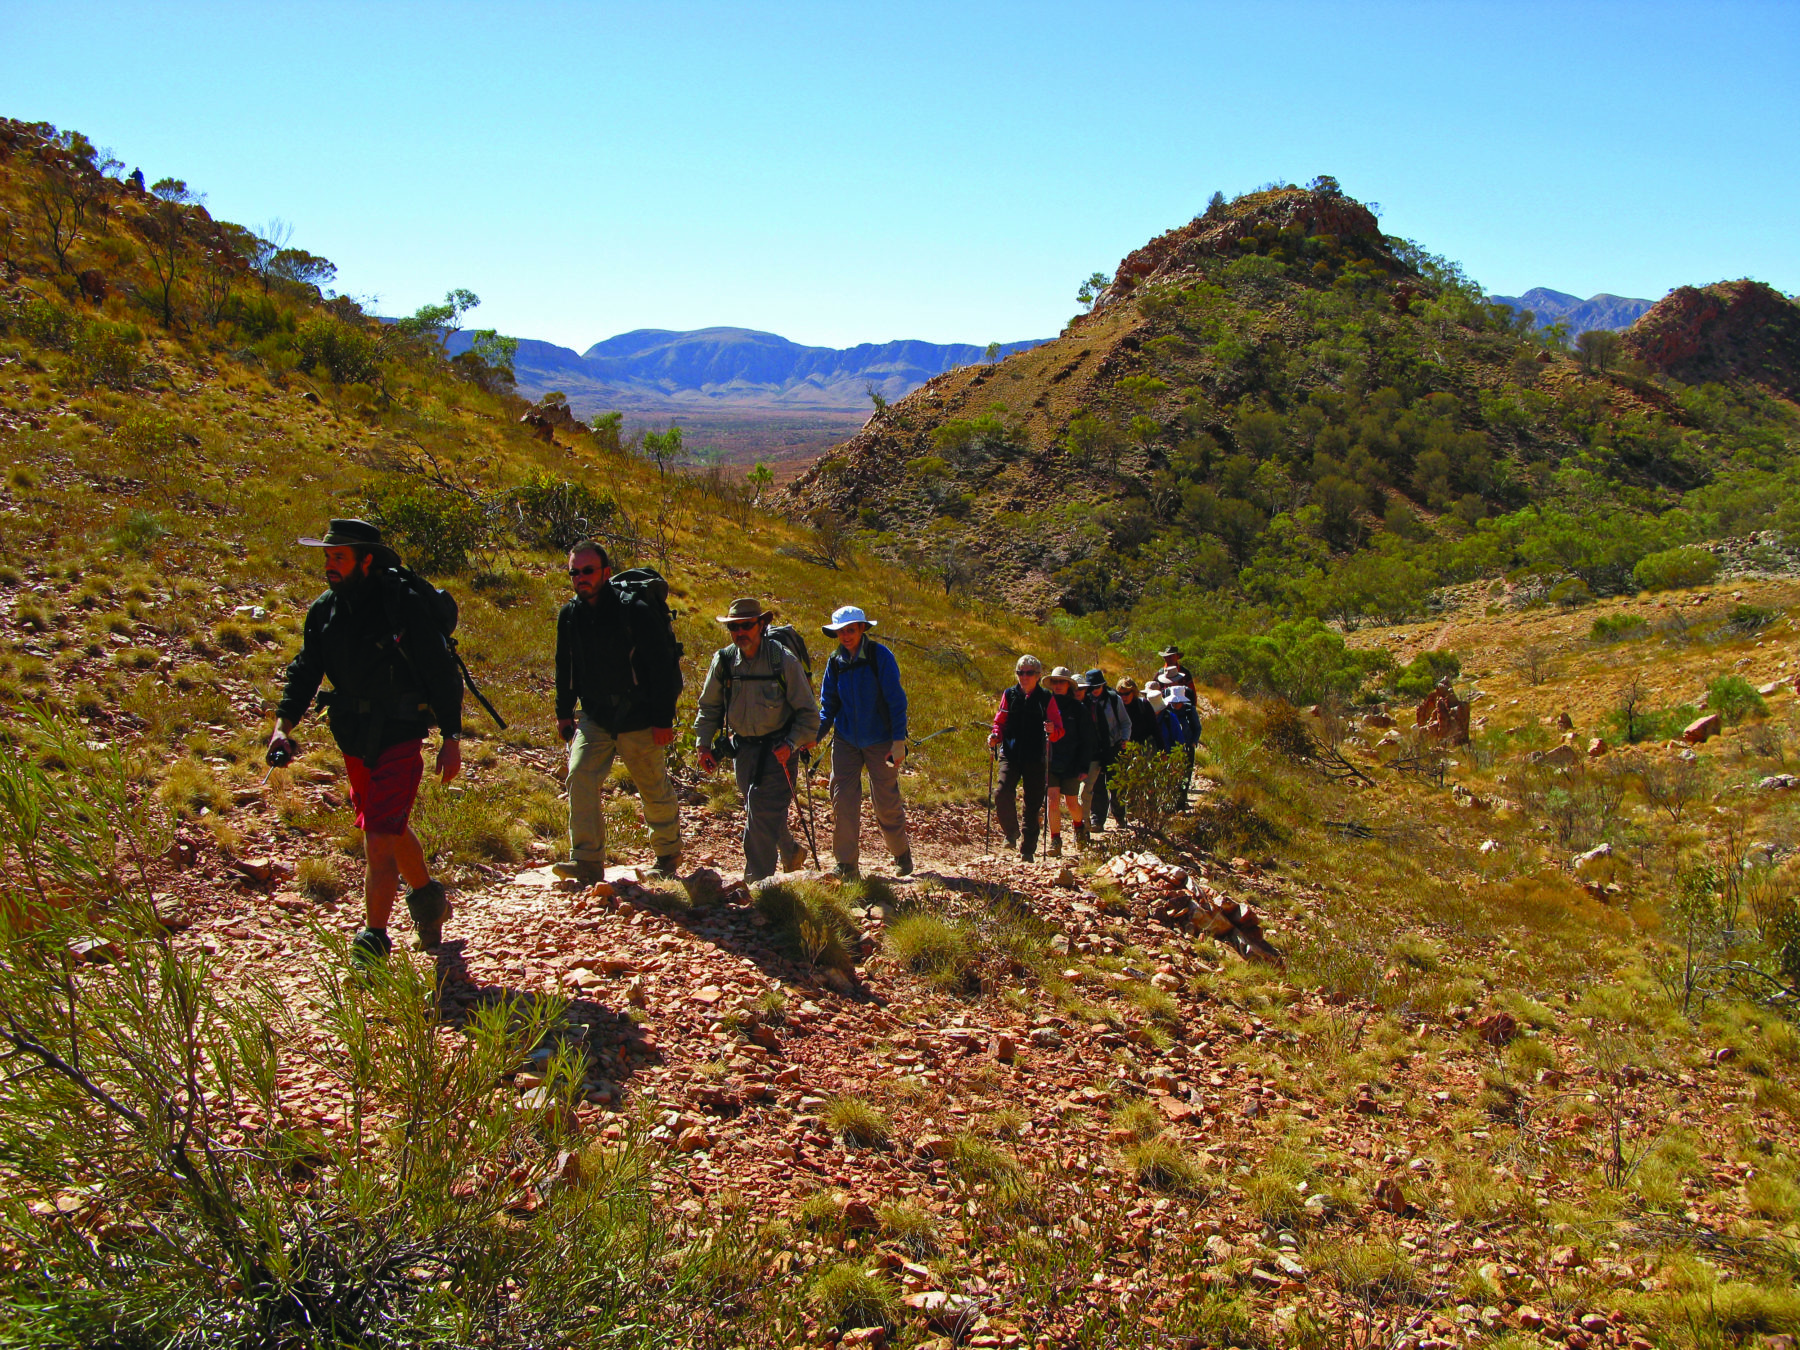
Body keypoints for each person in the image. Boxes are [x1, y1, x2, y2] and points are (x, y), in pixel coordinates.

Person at [270, 519, 462, 966]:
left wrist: (451, 738)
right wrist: (284, 725)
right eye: (327, 557)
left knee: (377, 834)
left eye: (339, 557)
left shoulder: (402, 606)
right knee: (386, 826)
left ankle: (372, 942)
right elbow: (304, 670)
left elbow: (440, 674)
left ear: (366, 559)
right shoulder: (325, 611)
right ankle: (428, 898)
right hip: (352, 737)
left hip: (398, 733)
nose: (330, 565)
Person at [553, 541, 682, 884]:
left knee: (652, 785)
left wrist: (662, 719)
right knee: (579, 775)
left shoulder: (634, 611)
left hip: (639, 717)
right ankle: (586, 861)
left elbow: (662, 667)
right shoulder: (569, 616)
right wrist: (563, 713)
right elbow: (564, 667)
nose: (581, 578)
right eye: (575, 572)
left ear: (606, 573)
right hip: (595, 716)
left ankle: (667, 855)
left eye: (587, 571)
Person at [693, 597, 818, 882]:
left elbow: (809, 714)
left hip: (779, 751)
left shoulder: (783, 661)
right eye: (733, 627)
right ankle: (790, 852)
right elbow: (709, 707)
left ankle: (758, 884)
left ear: (761, 625)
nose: (740, 633)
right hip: (744, 750)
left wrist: (791, 744)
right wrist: (702, 745)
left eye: (746, 626)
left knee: (759, 813)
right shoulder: (724, 661)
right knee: (757, 808)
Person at [817, 605, 911, 880]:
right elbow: (828, 705)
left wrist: (898, 741)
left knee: (886, 803)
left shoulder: (879, 656)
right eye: (840, 632)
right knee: (843, 801)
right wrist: (814, 736)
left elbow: (896, 700)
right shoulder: (835, 662)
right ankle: (846, 865)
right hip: (845, 740)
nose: (845, 636)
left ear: (861, 629)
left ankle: (901, 853)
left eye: (851, 630)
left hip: (881, 740)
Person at [987, 655, 1063, 861]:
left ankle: (1028, 849)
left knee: (1033, 803)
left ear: (1038, 676)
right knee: (1001, 792)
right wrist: (995, 735)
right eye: (1020, 672)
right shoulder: (1009, 694)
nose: (1024, 677)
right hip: (1010, 753)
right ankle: (1011, 833)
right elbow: (1000, 722)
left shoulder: (1046, 698)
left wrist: (1052, 729)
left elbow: (1058, 730)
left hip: (1036, 757)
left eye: (1029, 673)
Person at [1043, 667, 1092, 856]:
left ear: (1068, 685)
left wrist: (1084, 765)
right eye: (1055, 682)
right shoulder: (1046, 705)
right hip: (1051, 760)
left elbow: (1088, 739)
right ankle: (1055, 840)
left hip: (1072, 761)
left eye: (1061, 682)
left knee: (1071, 802)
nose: (1057, 685)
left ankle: (1079, 828)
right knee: (1052, 800)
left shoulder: (1078, 709)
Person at [1079, 668, 1130, 832]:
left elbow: (1125, 722)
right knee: (1096, 785)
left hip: (1113, 747)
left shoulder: (1114, 699)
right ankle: (1097, 819)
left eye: (1097, 687)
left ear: (1103, 685)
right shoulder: (1084, 702)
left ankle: (1119, 816)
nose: (1094, 691)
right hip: (1094, 749)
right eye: (1091, 687)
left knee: (1115, 784)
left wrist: (1125, 738)